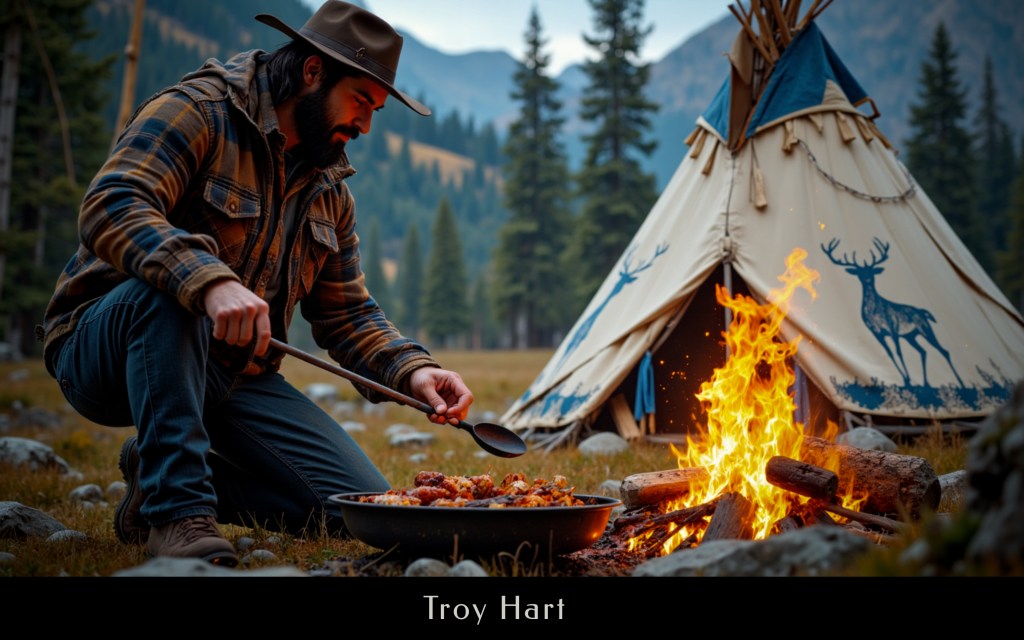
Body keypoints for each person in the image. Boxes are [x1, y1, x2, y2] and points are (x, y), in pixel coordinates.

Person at [39, 0, 473, 567]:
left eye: (376, 109)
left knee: (359, 509)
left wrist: (414, 370)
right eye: (361, 102)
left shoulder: (328, 188)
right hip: (106, 348)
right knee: (174, 292)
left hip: (229, 375)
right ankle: (178, 517)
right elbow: (112, 204)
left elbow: (347, 315)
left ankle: (159, 477)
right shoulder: (198, 111)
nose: (366, 125)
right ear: (313, 72)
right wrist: (209, 281)